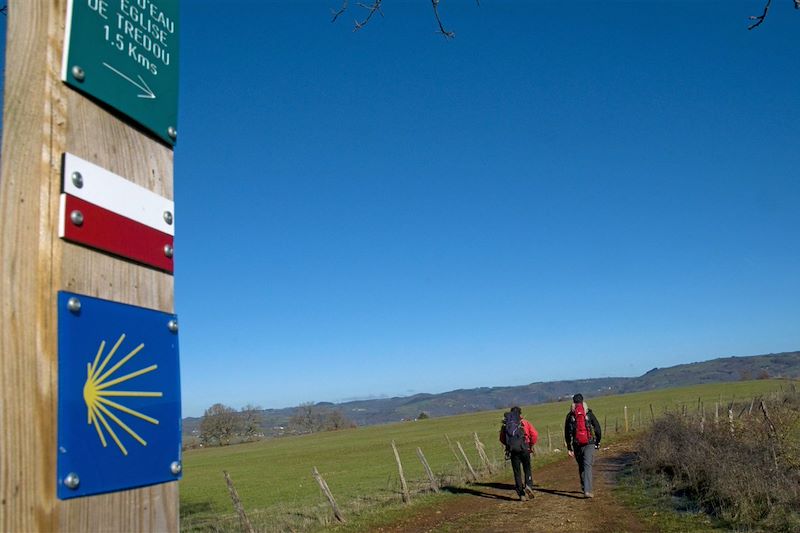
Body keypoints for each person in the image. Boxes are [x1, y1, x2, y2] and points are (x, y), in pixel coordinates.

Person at [564, 393, 602, 498]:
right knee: (588, 465)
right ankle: (588, 490)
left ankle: (584, 486)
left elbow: (567, 433)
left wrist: (569, 447)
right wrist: (597, 441)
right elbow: (598, 429)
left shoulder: (570, 415)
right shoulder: (588, 413)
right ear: (582, 401)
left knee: (581, 465)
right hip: (589, 443)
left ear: (573, 402)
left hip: (576, 444)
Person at [499, 406, 538, 501]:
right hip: (525, 449)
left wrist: (509, 446)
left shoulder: (506, 425)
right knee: (527, 469)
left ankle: (521, 494)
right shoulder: (525, 422)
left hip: (513, 451)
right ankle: (528, 485)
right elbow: (534, 434)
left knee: (517, 472)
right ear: (520, 414)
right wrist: (531, 445)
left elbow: (502, 439)